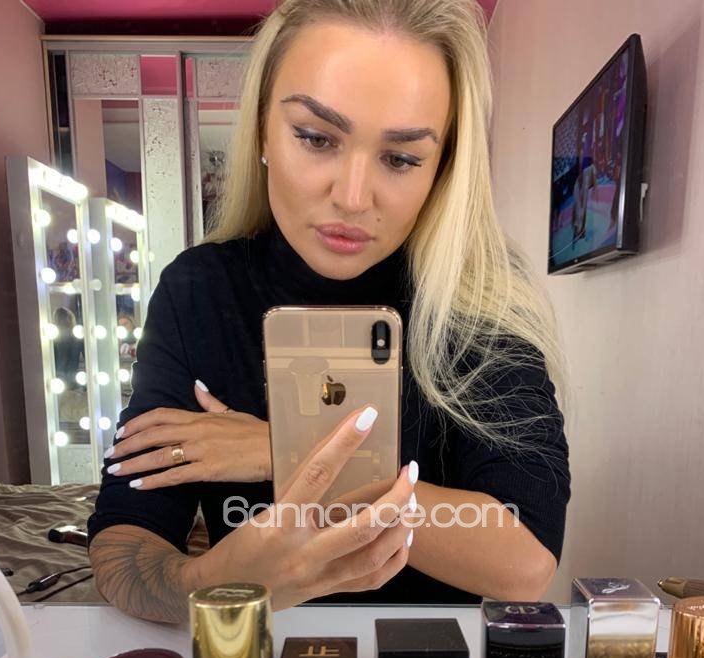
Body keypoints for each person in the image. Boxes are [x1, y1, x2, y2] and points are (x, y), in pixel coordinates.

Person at [88, 0, 571, 624]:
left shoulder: (480, 301)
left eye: (401, 158)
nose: (352, 197)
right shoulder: (200, 292)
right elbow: (122, 545)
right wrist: (217, 585)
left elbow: (525, 561)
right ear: (262, 130)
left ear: (442, 168)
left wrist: (282, 452)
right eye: (316, 138)